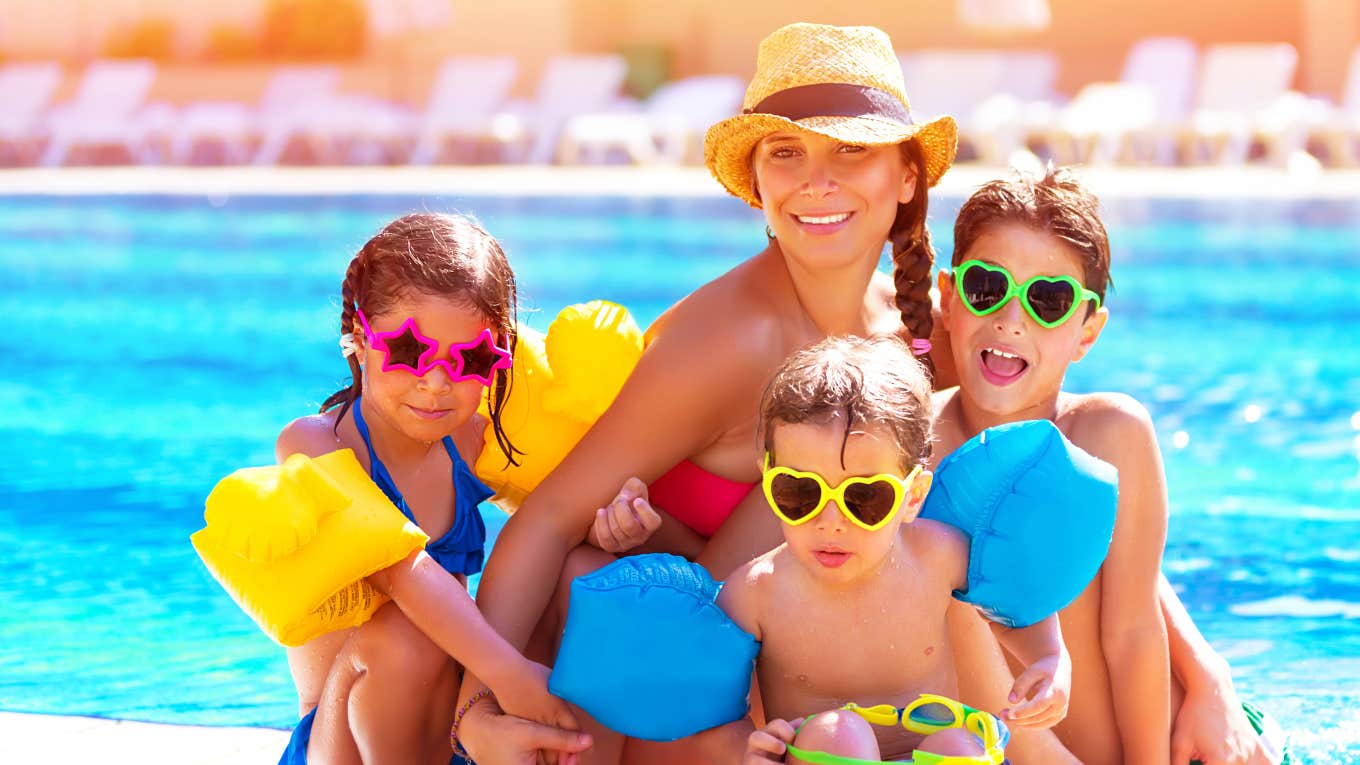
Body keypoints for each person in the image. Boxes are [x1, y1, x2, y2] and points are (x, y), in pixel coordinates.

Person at [453, 22, 959, 765]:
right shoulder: (732, 338)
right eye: (787, 153)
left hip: (777, 680)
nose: (817, 181)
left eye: (851, 149)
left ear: (908, 176)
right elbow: (548, 521)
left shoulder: (916, 338)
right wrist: (475, 713)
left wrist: (1194, 668)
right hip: (639, 692)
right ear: (758, 182)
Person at [931, 167, 1288, 765]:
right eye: (988, 288)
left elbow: (1133, 632)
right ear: (948, 296)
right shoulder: (911, 442)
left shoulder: (1110, 433)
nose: (1012, 319)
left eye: (1049, 301)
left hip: (1183, 748)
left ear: (1087, 332)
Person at [272, 213, 585, 765]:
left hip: (447, 730)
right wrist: (510, 675)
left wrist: (620, 516)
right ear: (360, 337)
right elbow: (400, 570)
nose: (437, 383)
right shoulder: (318, 448)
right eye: (410, 353)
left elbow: (561, 513)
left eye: (471, 360)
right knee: (404, 632)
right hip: (340, 739)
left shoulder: (469, 440)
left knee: (574, 572)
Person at [720, 335, 1070, 764]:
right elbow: (717, 714)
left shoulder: (938, 556)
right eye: (800, 492)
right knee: (839, 735)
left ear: (913, 497)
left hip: (928, 754)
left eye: (865, 498)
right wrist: (750, 750)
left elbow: (1015, 603)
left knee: (960, 745)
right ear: (768, 481)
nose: (830, 521)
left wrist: (1050, 659)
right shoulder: (754, 596)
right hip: (828, 757)